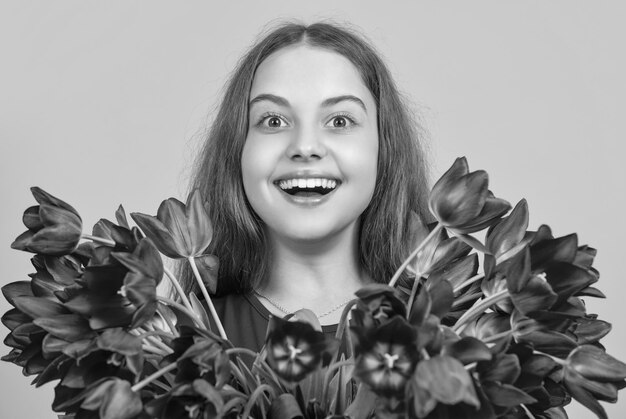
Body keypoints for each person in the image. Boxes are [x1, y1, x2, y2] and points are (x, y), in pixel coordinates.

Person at [179, 21, 431, 351]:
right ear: (237, 150)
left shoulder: (442, 330)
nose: (306, 146)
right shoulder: (186, 334)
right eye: (273, 121)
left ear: (385, 148)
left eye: (340, 121)